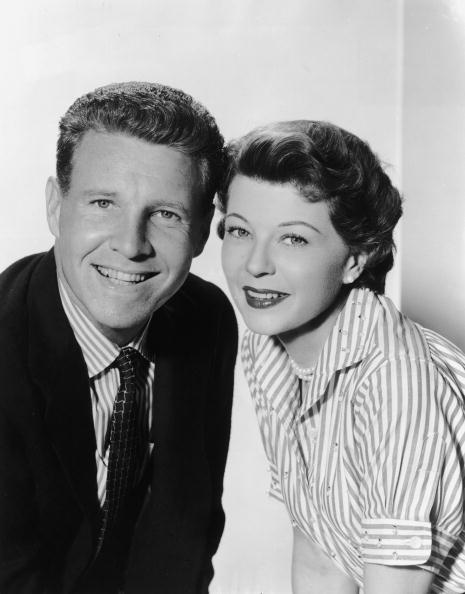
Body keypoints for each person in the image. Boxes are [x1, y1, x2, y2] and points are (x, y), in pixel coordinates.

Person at [0, 81, 238, 594]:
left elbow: (188, 535)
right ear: (56, 207)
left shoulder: (207, 318)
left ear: (201, 233)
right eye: (103, 202)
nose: (131, 245)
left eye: (167, 214)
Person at [218, 120, 465, 594]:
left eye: (293, 238)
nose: (254, 265)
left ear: (355, 259)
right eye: (240, 231)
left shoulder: (394, 379)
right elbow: (321, 553)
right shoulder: (266, 345)